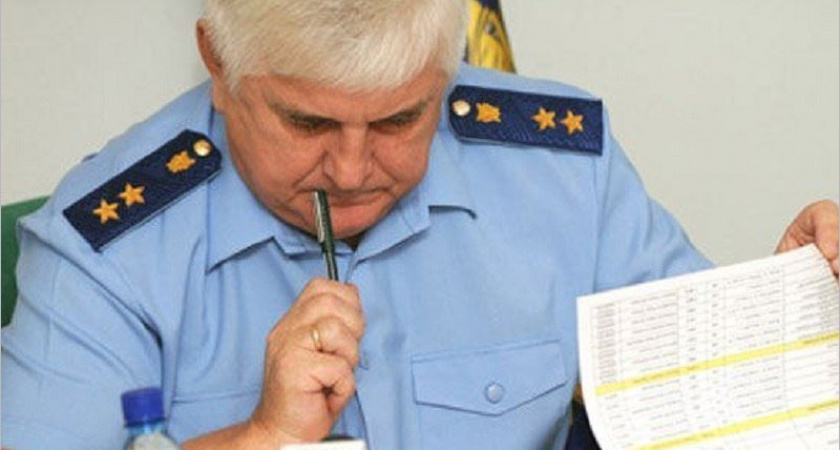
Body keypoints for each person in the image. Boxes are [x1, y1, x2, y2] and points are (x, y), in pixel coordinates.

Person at [2, 1, 838, 449]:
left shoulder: (561, 172)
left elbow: (698, 402)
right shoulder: (102, 249)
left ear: (446, 73)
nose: (352, 170)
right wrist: (261, 439)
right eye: (308, 123)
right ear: (220, 67)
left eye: (401, 120)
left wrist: (790, 318)